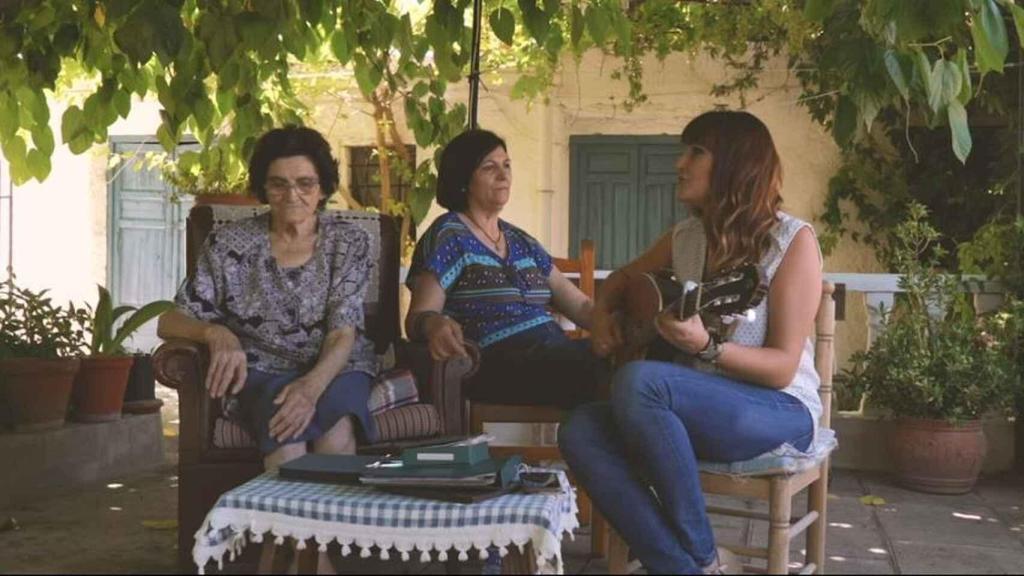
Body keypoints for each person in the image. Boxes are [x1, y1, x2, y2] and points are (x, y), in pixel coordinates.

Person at [558, 110, 823, 574]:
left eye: (696, 152)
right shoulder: (686, 237)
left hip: (778, 409)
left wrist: (708, 347)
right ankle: (693, 566)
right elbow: (621, 280)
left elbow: (782, 366)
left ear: (735, 165)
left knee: (642, 383)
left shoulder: (791, 241)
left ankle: (699, 560)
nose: (680, 164)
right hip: (688, 407)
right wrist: (602, 318)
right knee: (580, 427)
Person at [158, 126, 378, 473]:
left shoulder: (349, 243)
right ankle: (285, 526)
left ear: (322, 188)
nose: (292, 194)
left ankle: (335, 528)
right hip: (262, 367)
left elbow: (341, 333)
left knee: (335, 434)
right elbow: (169, 321)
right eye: (278, 184)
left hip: (336, 366)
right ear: (263, 187)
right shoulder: (229, 243)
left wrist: (310, 388)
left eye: (305, 183)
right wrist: (216, 334)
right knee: (285, 438)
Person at [405, 128, 606, 410]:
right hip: (497, 362)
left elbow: (582, 308)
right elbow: (418, 318)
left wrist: (621, 328)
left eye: (507, 165)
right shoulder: (448, 235)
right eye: (490, 167)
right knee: (606, 372)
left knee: (630, 362)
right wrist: (433, 324)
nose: (504, 176)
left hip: (554, 354)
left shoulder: (522, 240)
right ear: (464, 179)